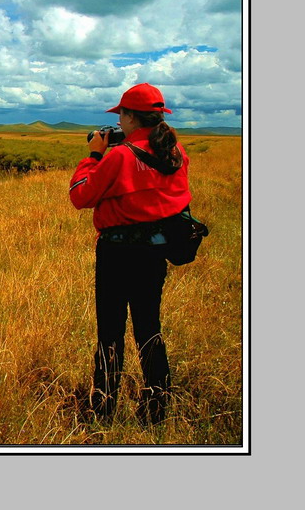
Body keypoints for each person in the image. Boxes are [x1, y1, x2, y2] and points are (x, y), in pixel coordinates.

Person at [69, 83, 192, 425]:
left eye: (121, 115)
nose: (118, 122)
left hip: (117, 254)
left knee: (110, 332)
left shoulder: (121, 157)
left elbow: (81, 196)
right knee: (149, 329)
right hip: (155, 252)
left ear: (131, 117)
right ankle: (156, 409)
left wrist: (94, 155)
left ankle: (103, 410)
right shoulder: (175, 152)